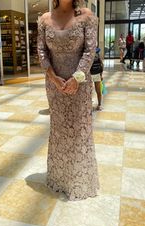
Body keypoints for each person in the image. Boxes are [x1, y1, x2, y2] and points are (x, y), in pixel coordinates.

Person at [37, 0, 99, 201]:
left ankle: (79, 180)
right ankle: (59, 178)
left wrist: (77, 78)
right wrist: (53, 78)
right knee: (59, 129)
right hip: (54, 85)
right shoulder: (45, 19)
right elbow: (41, 51)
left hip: (79, 85)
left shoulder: (86, 16)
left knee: (79, 129)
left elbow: (90, 50)